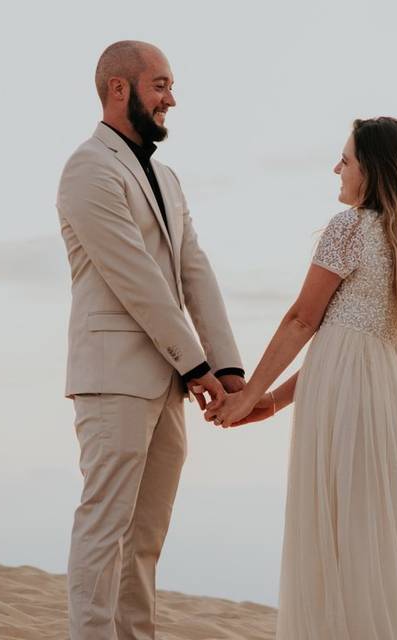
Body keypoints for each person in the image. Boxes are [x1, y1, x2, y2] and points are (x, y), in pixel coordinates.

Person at [205, 117, 397, 639]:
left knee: (343, 547)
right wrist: (275, 402)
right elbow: (346, 345)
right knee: (381, 550)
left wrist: (248, 396)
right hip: (394, 405)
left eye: (346, 159)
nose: (337, 168)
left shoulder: (348, 228)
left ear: (370, 170)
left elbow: (305, 321)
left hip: (346, 407)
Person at [56, 40, 244, 640]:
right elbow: (136, 279)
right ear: (119, 88)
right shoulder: (88, 168)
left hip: (169, 382)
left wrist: (229, 367)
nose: (171, 99)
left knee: (145, 541)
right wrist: (197, 367)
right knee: (104, 529)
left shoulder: (166, 176)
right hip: (114, 378)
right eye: (160, 85)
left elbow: (194, 270)